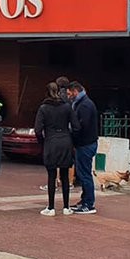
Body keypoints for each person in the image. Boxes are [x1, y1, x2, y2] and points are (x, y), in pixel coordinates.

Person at [35, 82, 75, 216]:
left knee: (51, 175)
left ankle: (51, 207)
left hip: (51, 142)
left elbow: (38, 130)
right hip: (65, 141)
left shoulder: (43, 108)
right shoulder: (67, 107)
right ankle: (66, 207)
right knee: (65, 175)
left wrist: (42, 142)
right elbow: (76, 126)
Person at [68, 81, 99, 214]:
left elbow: (82, 125)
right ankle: (84, 200)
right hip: (84, 143)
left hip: (86, 144)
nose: (69, 96)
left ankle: (89, 203)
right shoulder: (82, 103)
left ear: (75, 91)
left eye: (70, 94)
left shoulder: (85, 105)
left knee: (85, 174)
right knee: (82, 173)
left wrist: (73, 133)